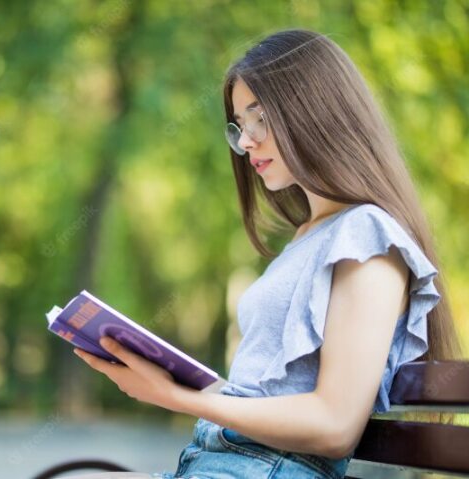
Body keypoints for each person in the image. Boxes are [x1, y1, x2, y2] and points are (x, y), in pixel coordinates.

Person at [67, 29, 463, 479]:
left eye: (260, 119)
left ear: (314, 110)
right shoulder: (311, 235)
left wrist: (175, 397)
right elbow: (269, 391)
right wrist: (177, 376)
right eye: (239, 125)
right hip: (219, 462)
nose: (247, 141)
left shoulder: (366, 234)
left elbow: (335, 426)